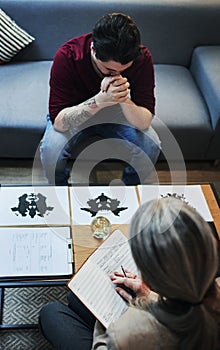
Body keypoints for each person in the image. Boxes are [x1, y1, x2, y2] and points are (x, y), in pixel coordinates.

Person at [39, 197, 220, 349]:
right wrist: (149, 296)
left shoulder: (127, 332)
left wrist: (110, 321)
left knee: (51, 313)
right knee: (74, 298)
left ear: (149, 277)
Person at [40, 13, 161, 186]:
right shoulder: (68, 56)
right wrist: (101, 100)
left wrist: (122, 98)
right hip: (77, 110)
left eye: (124, 69)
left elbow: (144, 122)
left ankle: (131, 186)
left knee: (151, 144)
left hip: (118, 115)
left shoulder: (142, 58)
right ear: (93, 50)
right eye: (109, 70)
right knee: (51, 149)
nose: (116, 75)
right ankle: (59, 187)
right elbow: (59, 122)